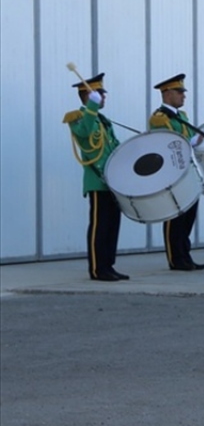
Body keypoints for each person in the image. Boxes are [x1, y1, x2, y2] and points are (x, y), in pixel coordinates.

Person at [64, 73, 126, 281]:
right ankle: (97, 269)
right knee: (100, 225)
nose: (104, 97)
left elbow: (113, 146)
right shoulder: (79, 118)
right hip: (97, 180)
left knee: (112, 225)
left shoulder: (103, 120)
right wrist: (91, 107)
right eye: (100, 93)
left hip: (113, 180)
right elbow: (84, 133)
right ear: (88, 95)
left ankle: (108, 265)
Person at [149, 74, 204, 271]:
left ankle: (185, 255)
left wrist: (194, 141)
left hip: (188, 172)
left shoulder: (182, 116)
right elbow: (163, 145)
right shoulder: (159, 118)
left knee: (188, 216)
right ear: (167, 93)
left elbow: (186, 139)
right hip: (172, 175)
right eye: (179, 92)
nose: (184, 96)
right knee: (175, 217)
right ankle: (176, 258)